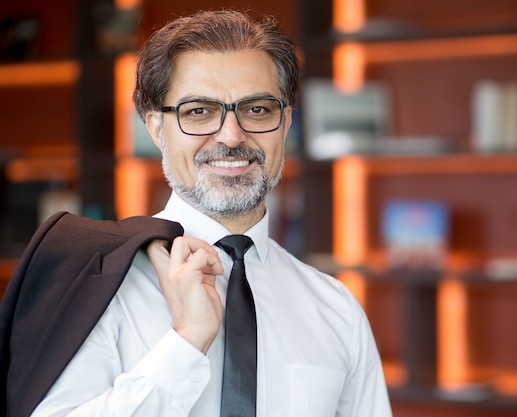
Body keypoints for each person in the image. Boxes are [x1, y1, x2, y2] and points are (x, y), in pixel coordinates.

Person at [18, 9, 392, 417]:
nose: (232, 136)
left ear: (285, 124)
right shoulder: (98, 286)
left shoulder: (336, 309)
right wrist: (186, 343)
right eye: (199, 112)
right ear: (157, 129)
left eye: (257, 110)